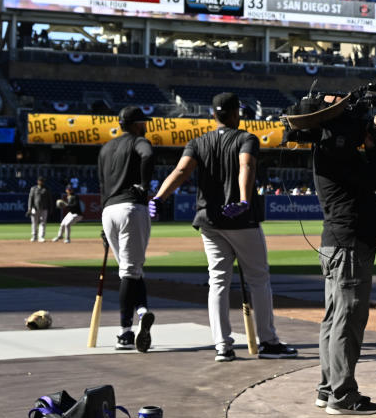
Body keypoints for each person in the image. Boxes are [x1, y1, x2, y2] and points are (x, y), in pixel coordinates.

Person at [151, 93, 298, 361]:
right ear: (236, 113)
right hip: (240, 219)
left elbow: (180, 172)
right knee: (258, 279)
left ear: (213, 114)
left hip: (209, 220)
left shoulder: (197, 142)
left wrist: (159, 198)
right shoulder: (246, 138)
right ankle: (268, 342)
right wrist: (244, 198)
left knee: (218, 280)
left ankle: (222, 345)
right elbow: (246, 165)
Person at [286, 89, 376, 415]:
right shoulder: (336, 150)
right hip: (348, 244)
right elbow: (374, 178)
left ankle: (327, 388)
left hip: (338, 244)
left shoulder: (328, 149)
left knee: (334, 320)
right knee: (347, 321)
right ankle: (342, 395)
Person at [98, 106, 157, 352]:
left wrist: (103, 225)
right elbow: (148, 155)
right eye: (144, 122)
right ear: (136, 124)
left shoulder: (105, 148)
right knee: (130, 272)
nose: (146, 126)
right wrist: (144, 185)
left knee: (131, 270)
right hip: (130, 208)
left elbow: (102, 184)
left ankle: (142, 311)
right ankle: (125, 332)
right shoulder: (138, 141)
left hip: (108, 211)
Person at [27, 176, 52, 242]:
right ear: (38, 181)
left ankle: (41, 237)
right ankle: (34, 236)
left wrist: (50, 207)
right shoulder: (33, 188)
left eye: (42, 181)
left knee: (43, 223)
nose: (41, 182)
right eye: (40, 180)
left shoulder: (46, 189)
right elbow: (30, 199)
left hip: (44, 208)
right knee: (34, 223)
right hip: (35, 208)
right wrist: (29, 208)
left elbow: (49, 199)